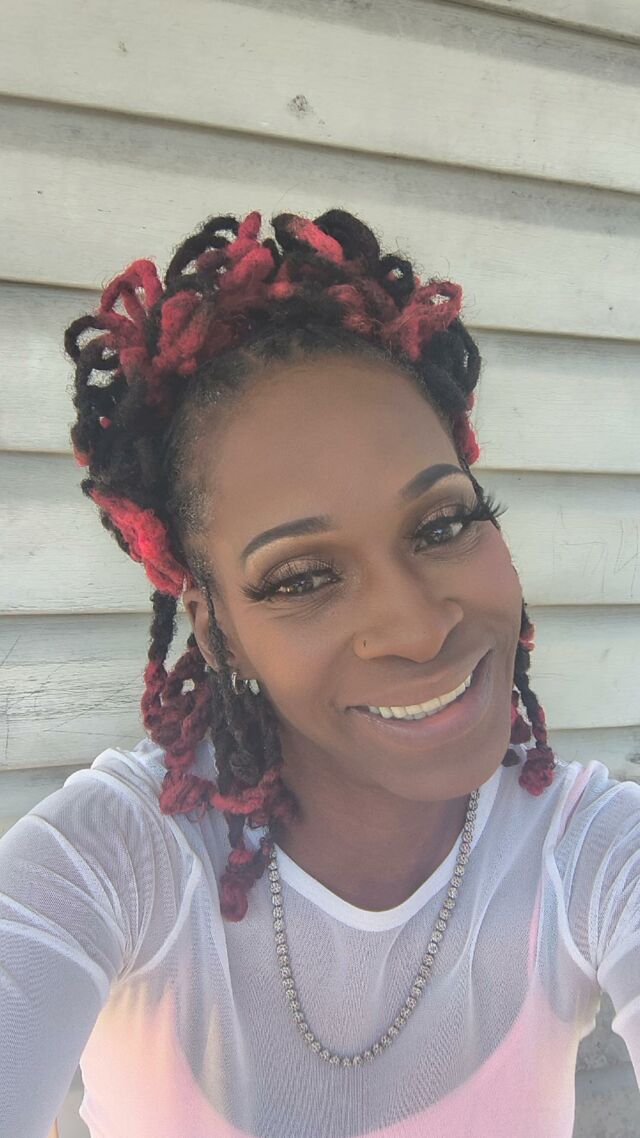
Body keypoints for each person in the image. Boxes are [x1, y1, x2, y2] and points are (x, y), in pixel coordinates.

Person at [0, 208, 638, 1138]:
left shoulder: (590, 855)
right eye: (302, 578)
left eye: (443, 524)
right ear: (216, 631)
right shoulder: (109, 864)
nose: (418, 627)